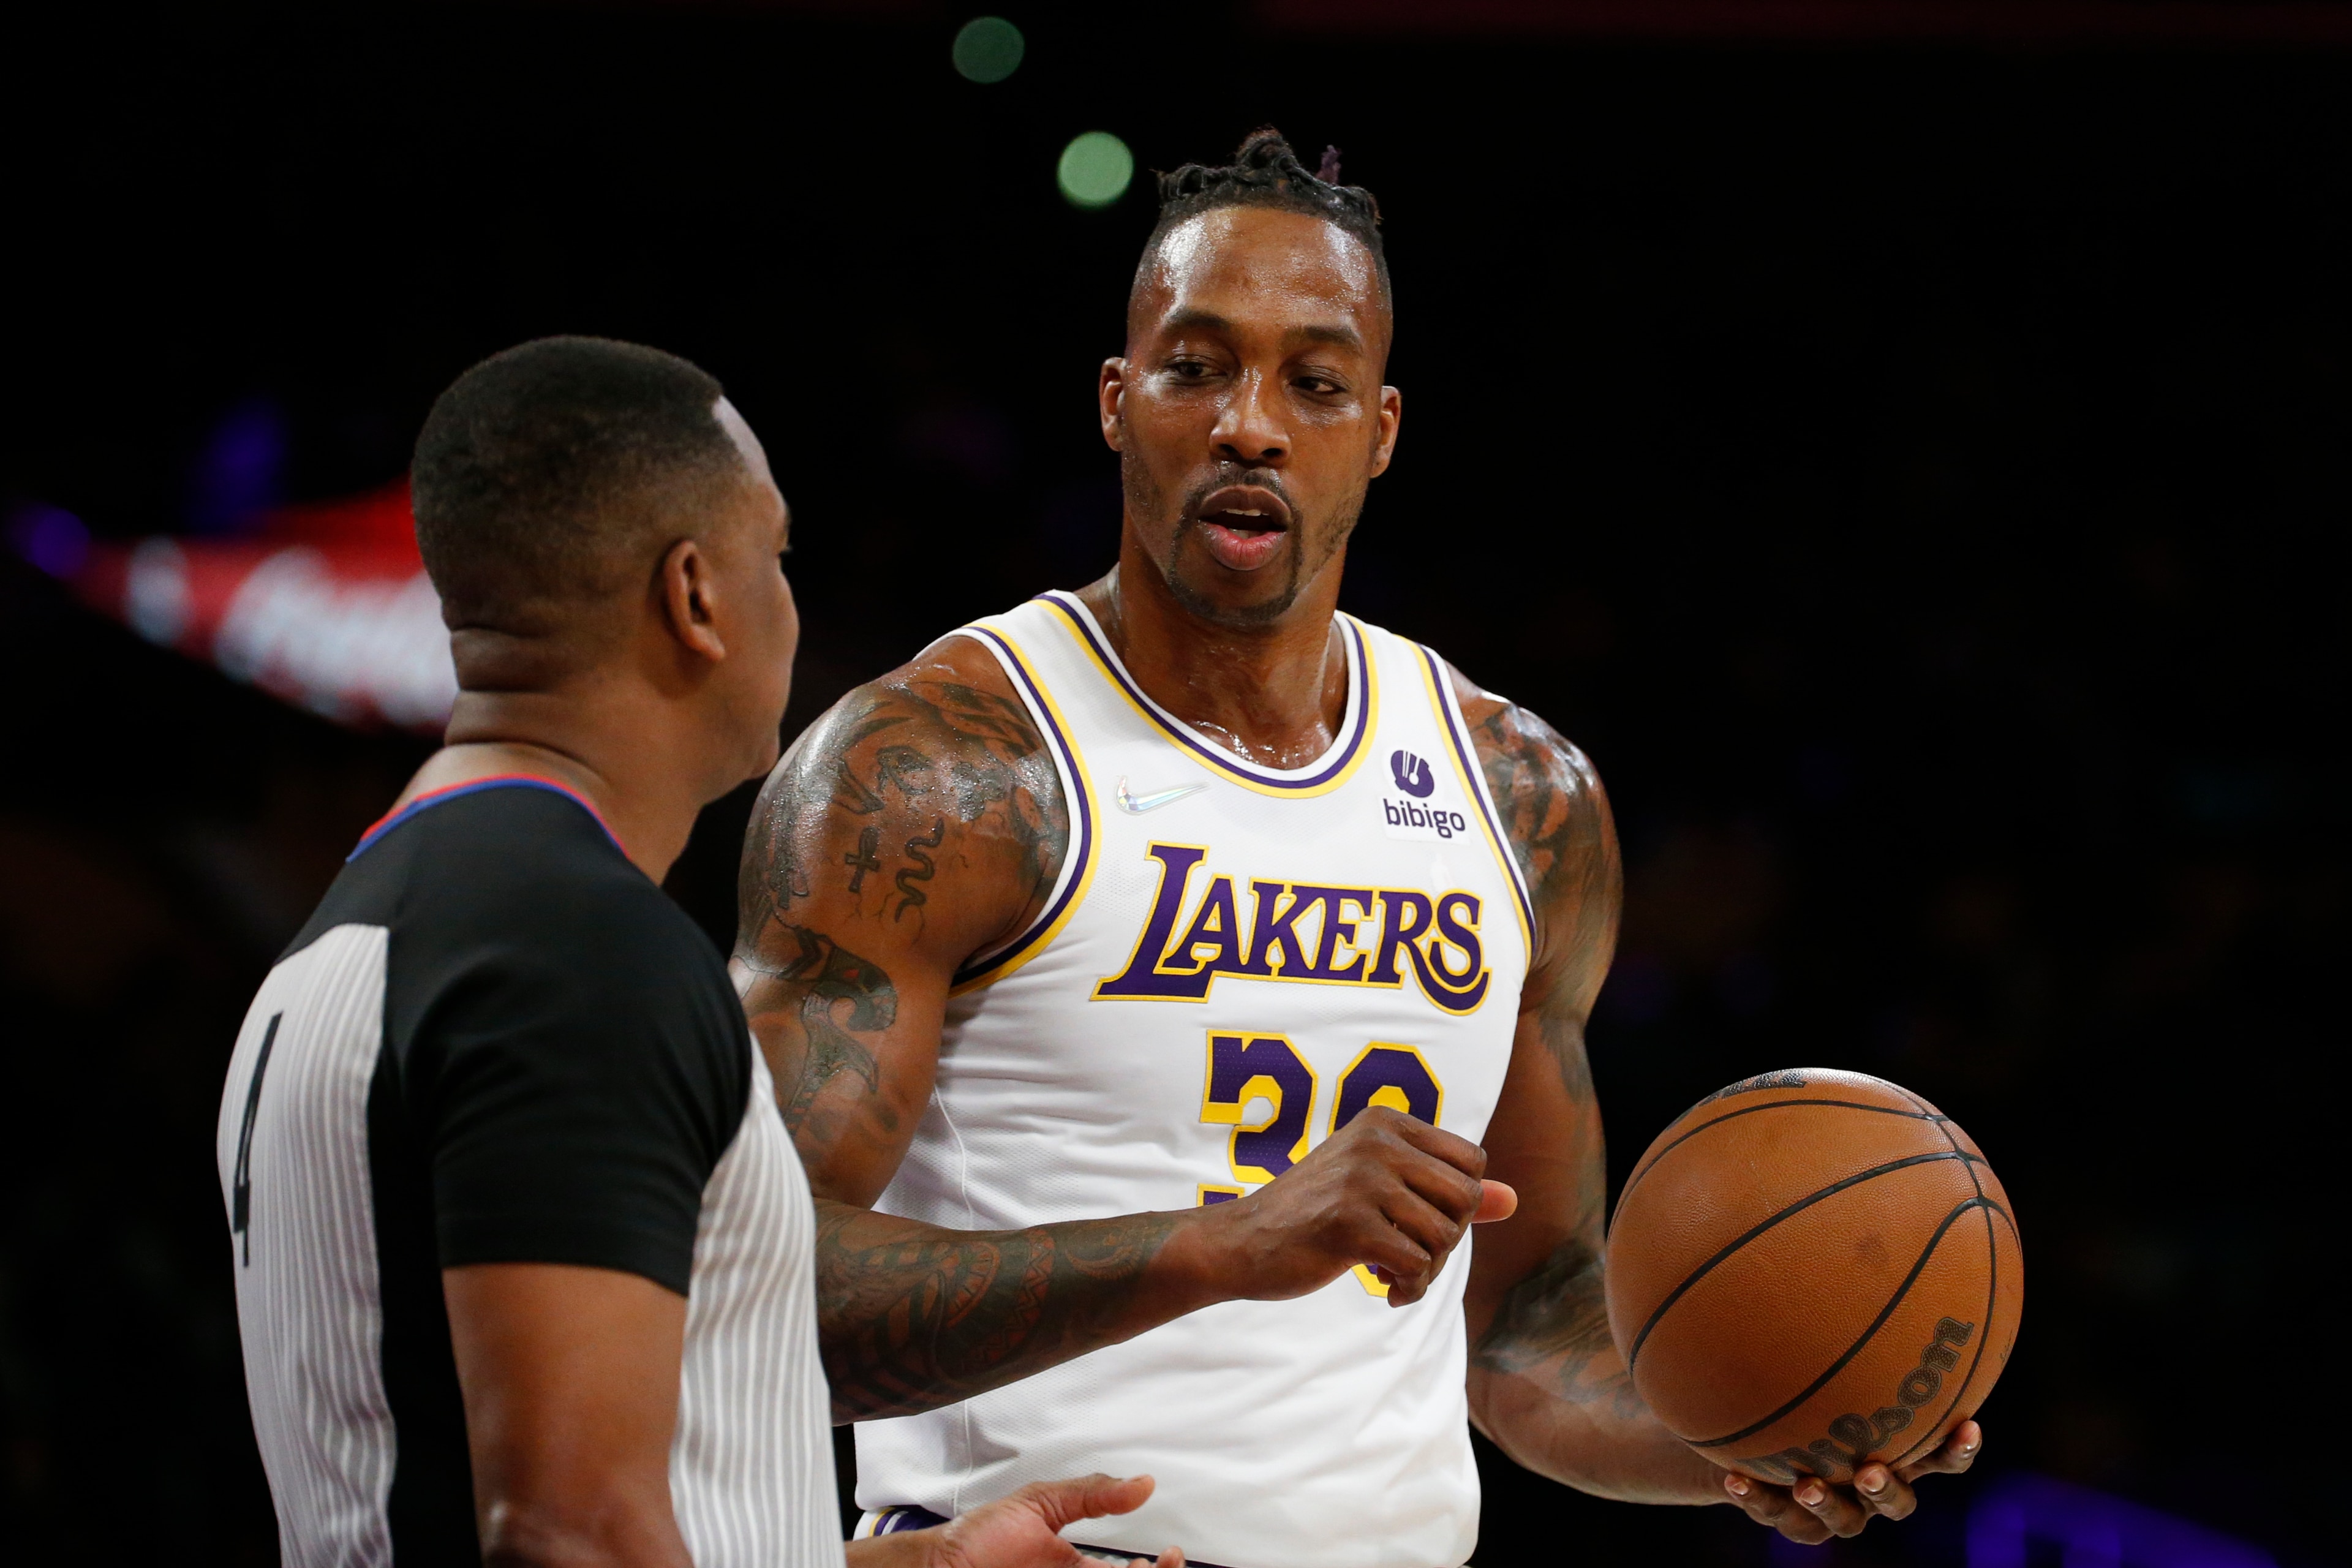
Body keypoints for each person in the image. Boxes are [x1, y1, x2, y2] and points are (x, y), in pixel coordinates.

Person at [733, 133, 1980, 1567]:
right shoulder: (935, 775)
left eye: (1312, 381)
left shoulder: (1524, 794)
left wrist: (1743, 1429)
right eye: (1197, 367)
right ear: (1117, 400)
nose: (1249, 424)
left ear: (1380, 429)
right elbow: (742, 1286)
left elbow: (1517, 1312)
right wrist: (1217, 1243)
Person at [214, 336, 1180, 1568]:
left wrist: (915, 1561)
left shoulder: (354, 930)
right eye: (775, 555)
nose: (792, 598)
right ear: (695, 595)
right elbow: (571, 1531)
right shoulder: (571, 951)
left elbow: (514, 1495)